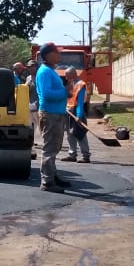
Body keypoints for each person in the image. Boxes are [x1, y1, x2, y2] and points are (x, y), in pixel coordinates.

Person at [36, 43, 70, 192]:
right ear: (49, 55)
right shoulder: (45, 72)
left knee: (55, 147)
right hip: (50, 114)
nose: (59, 55)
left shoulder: (50, 71)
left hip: (55, 113)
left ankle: (52, 175)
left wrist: (65, 92)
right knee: (50, 148)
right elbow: (47, 94)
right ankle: (47, 181)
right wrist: (65, 91)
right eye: (57, 53)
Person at [61, 67, 91, 163]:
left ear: (73, 74)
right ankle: (72, 154)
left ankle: (85, 156)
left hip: (76, 112)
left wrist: (79, 115)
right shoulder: (70, 84)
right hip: (68, 111)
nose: (66, 78)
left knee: (80, 134)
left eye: (67, 75)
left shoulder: (81, 85)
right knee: (70, 134)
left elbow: (80, 102)